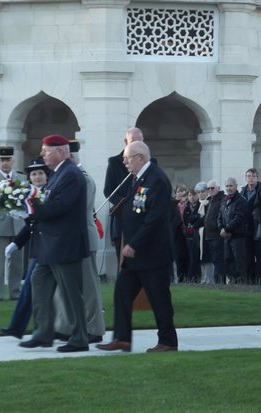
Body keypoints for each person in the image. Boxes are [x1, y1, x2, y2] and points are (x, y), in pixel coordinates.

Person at [97, 141, 178, 353]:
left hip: (152, 253)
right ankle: (122, 338)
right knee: (122, 292)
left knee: (159, 298)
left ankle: (168, 341)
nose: (125, 163)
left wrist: (134, 243)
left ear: (141, 157)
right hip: (135, 256)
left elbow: (155, 218)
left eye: (128, 158)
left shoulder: (157, 179)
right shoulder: (139, 178)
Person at [17, 135, 90, 353]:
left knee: (70, 293)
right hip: (50, 243)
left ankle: (80, 338)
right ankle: (43, 332)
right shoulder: (59, 173)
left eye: (46, 151)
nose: (42, 155)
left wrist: (29, 208)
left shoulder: (70, 174)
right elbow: (47, 202)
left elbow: (59, 206)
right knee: (38, 282)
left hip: (64, 243)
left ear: (60, 151)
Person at [53, 139, 106, 343]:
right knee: (64, 285)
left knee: (88, 287)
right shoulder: (69, 177)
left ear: (71, 157)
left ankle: (95, 328)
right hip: (70, 238)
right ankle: (65, 326)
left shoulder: (82, 179)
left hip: (83, 238)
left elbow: (77, 210)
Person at [1, 158, 49, 339]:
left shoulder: (48, 193)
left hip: (51, 247)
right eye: (34, 174)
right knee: (29, 285)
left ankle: (54, 331)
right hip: (41, 248)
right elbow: (31, 226)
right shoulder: (30, 196)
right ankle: (17, 327)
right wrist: (15, 243)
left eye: (40, 173)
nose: (37, 177)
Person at [0, 146, 25, 301]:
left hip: (18, 225)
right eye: (2, 160)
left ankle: (15, 292)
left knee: (17, 262)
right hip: (0, 225)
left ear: (13, 161)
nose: (5, 163)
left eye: (8, 160)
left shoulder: (21, 178)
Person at [103, 127, 145, 264]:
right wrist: (125, 204)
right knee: (124, 263)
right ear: (126, 142)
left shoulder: (150, 163)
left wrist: (137, 204)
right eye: (133, 141)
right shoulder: (115, 162)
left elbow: (147, 188)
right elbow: (108, 190)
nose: (137, 145)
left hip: (142, 218)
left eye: (139, 141)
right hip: (122, 217)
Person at [218, 177, 248, 284]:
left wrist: (226, 229)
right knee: (228, 260)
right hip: (227, 237)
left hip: (238, 236)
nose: (229, 188)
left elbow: (239, 218)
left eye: (231, 186)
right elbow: (220, 216)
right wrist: (221, 228)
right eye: (227, 186)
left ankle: (241, 283)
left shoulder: (241, 200)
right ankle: (232, 281)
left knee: (239, 261)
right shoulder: (224, 200)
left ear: (236, 186)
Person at [241, 168, 261, 284]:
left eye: (253, 176)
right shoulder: (242, 192)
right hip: (245, 228)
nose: (251, 178)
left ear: (257, 178)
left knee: (260, 255)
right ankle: (249, 279)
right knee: (248, 255)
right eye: (249, 176)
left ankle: (257, 278)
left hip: (257, 227)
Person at [203, 180, 225, 284]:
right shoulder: (210, 199)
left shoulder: (221, 199)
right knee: (214, 260)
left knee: (219, 260)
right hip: (209, 235)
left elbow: (221, 217)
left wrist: (217, 227)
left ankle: (220, 282)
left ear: (218, 188)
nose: (210, 190)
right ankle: (217, 282)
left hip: (217, 235)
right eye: (208, 188)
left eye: (212, 188)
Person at [182, 188, 202, 283]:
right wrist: (194, 218)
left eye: (193, 195)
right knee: (190, 257)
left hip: (197, 234)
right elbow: (187, 220)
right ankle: (190, 277)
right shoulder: (187, 208)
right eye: (190, 195)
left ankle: (197, 277)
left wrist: (193, 221)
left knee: (196, 256)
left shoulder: (200, 205)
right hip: (188, 235)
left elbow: (200, 219)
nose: (192, 197)